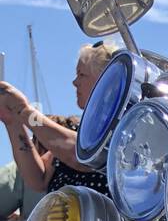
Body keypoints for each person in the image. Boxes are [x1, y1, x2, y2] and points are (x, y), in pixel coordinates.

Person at [0, 42, 118, 197]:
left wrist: (25, 111)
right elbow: (37, 179)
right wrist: (12, 121)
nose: (74, 82)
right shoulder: (80, 132)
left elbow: (82, 156)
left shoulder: (120, 129)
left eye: (81, 74)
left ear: (105, 81)